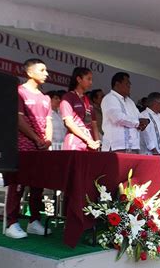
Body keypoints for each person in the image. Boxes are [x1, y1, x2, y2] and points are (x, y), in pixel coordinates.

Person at [5, 58, 53, 239]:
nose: (46, 73)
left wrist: (47, 140)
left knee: (38, 185)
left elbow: (48, 121)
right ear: (29, 72)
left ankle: (34, 221)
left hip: (41, 147)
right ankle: (12, 223)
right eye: (42, 70)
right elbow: (19, 120)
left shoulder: (45, 97)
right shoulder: (19, 92)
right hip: (23, 146)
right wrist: (36, 138)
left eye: (46, 70)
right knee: (17, 184)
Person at [101, 72, 148, 153]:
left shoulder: (130, 102)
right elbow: (117, 118)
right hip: (116, 147)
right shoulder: (109, 98)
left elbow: (139, 117)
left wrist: (145, 122)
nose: (129, 86)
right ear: (117, 84)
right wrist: (137, 123)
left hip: (133, 147)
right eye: (127, 83)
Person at [60, 67, 101, 151]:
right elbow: (69, 123)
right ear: (79, 79)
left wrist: (97, 142)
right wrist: (88, 140)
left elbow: (94, 124)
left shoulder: (88, 100)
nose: (91, 82)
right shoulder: (68, 97)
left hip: (90, 145)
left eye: (91, 79)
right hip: (75, 143)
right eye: (88, 79)